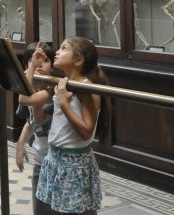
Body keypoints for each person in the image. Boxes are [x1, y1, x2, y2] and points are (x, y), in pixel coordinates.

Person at [19, 37, 110, 215]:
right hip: (54, 158)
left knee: (80, 210)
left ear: (78, 60)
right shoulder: (61, 83)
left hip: (75, 163)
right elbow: (24, 99)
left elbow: (86, 131)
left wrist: (63, 103)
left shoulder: (87, 88)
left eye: (64, 48)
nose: (57, 52)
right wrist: (32, 66)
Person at [16, 42, 56, 215]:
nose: (39, 64)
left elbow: (39, 118)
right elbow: (30, 122)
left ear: (52, 66)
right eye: (34, 60)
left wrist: (30, 86)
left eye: (45, 60)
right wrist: (20, 143)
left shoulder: (53, 91)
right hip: (40, 160)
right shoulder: (30, 88)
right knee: (39, 209)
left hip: (56, 162)